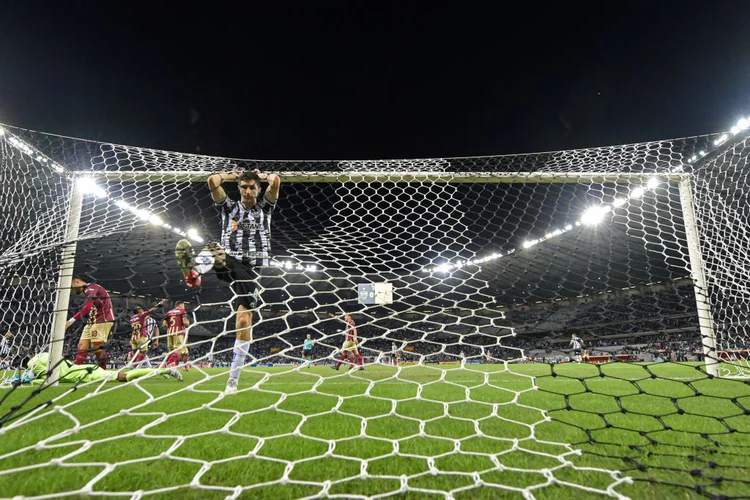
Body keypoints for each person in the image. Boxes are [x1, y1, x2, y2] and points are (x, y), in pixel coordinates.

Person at [174, 169, 281, 394]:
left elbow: (276, 182)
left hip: (250, 269)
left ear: (258, 189)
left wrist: (264, 176)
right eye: (244, 187)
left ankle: (232, 381)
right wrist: (230, 175)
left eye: (252, 187)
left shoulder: (265, 208)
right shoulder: (229, 208)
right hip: (228, 257)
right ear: (239, 188)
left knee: (243, 322)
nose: (248, 191)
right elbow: (212, 181)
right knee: (214, 247)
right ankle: (193, 274)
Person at [9, 352, 182, 386]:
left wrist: (25, 381)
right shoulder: (43, 354)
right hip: (85, 368)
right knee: (126, 374)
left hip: (88, 374)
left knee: (126, 377)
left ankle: (165, 370)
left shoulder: (34, 365)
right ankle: (163, 370)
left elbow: (43, 379)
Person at [65, 276, 115, 368]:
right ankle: (73, 370)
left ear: (77, 282)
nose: (72, 290)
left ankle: (103, 370)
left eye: (72, 287)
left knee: (95, 347)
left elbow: (87, 307)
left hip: (102, 319)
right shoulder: (89, 290)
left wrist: (70, 321)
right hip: (92, 321)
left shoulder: (90, 288)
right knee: (81, 346)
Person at [128, 300, 165, 369]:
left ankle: (146, 366)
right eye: (141, 309)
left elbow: (133, 330)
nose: (142, 310)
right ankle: (134, 367)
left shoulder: (131, 319)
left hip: (134, 338)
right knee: (143, 353)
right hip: (142, 338)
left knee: (136, 352)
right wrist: (159, 304)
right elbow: (151, 310)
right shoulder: (141, 316)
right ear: (139, 310)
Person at [162, 302, 190, 370]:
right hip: (178, 333)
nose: (184, 306)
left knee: (171, 351)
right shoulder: (182, 311)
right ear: (180, 305)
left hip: (169, 332)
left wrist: (172, 326)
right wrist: (188, 323)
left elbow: (164, 324)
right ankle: (168, 365)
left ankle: (171, 366)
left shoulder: (169, 312)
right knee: (180, 351)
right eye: (183, 305)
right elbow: (185, 323)